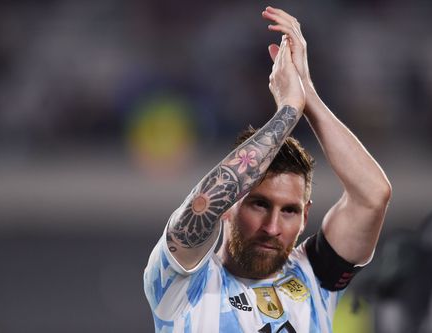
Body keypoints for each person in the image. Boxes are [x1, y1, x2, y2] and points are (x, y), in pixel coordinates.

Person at [144, 6, 391, 333]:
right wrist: (288, 110)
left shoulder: (312, 276)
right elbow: (203, 206)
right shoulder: (182, 283)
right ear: (231, 204)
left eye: (289, 210)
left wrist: (307, 95)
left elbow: (373, 196)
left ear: (305, 217)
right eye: (260, 204)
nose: (272, 227)